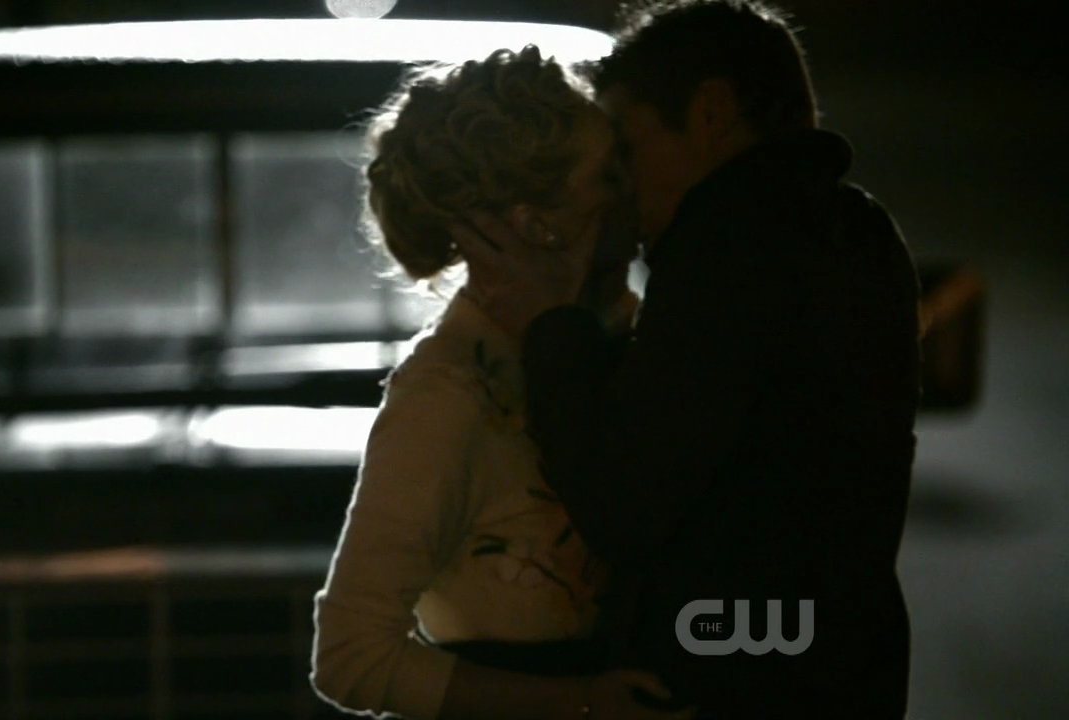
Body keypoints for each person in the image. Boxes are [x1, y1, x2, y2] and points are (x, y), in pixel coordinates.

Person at [452, 1, 921, 718]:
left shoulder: (732, 245)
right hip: (838, 671)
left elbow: (623, 502)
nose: (621, 184)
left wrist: (550, 321)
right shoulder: (857, 230)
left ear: (710, 112)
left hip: (733, 682)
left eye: (627, 146)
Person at [310, 47, 695, 720]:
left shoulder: (622, 344)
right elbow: (351, 657)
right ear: (534, 223)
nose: (635, 191)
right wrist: (577, 703)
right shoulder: (448, 393)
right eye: (610, 175)